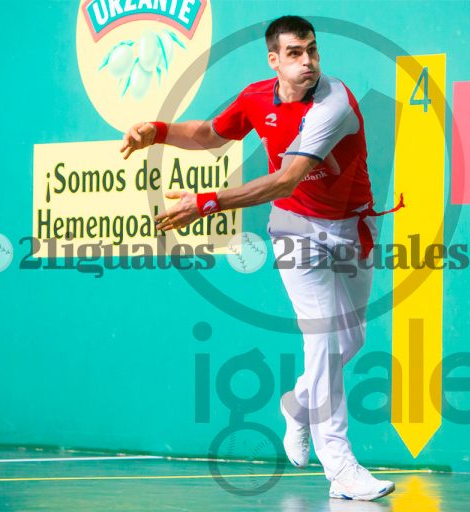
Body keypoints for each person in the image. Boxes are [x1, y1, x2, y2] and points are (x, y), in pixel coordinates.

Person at [120, 15, 400, 501]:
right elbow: (211, 134)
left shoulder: (334, 103)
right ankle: (341, 468)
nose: (307, 61)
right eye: (294, 53)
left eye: (312, 50)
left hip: (351, 226)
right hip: (295, 229)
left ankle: (297, 405)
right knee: (323, 340)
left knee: (349, 341)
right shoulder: (255, 98)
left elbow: (286, 179)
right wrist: (159, 132)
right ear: (274, 60)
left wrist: (207, 202)